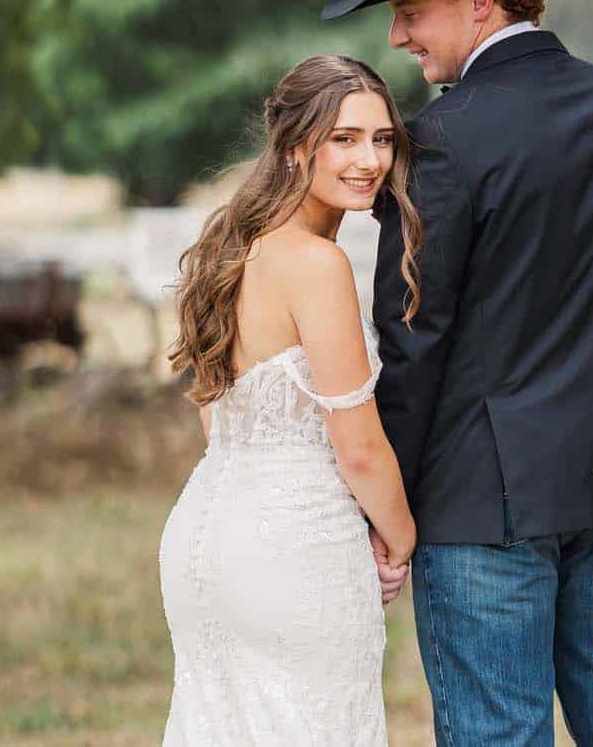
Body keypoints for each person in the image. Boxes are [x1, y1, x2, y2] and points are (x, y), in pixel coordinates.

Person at [323, 0, 593, 745]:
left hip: (481, 506)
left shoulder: (441, 141)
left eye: (410, 10)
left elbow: (414, 343)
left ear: (478, 2)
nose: (396, 36)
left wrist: (391, 509)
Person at [158, 55, 421, 745]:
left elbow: (214, 409)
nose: (369, 159)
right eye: (345, 139)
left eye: (382, 138)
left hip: (203, 540)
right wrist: (400, 540)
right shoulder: (315, 263)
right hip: (296, 548)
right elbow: (358, 449)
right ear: (296, 144)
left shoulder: (232, 248)